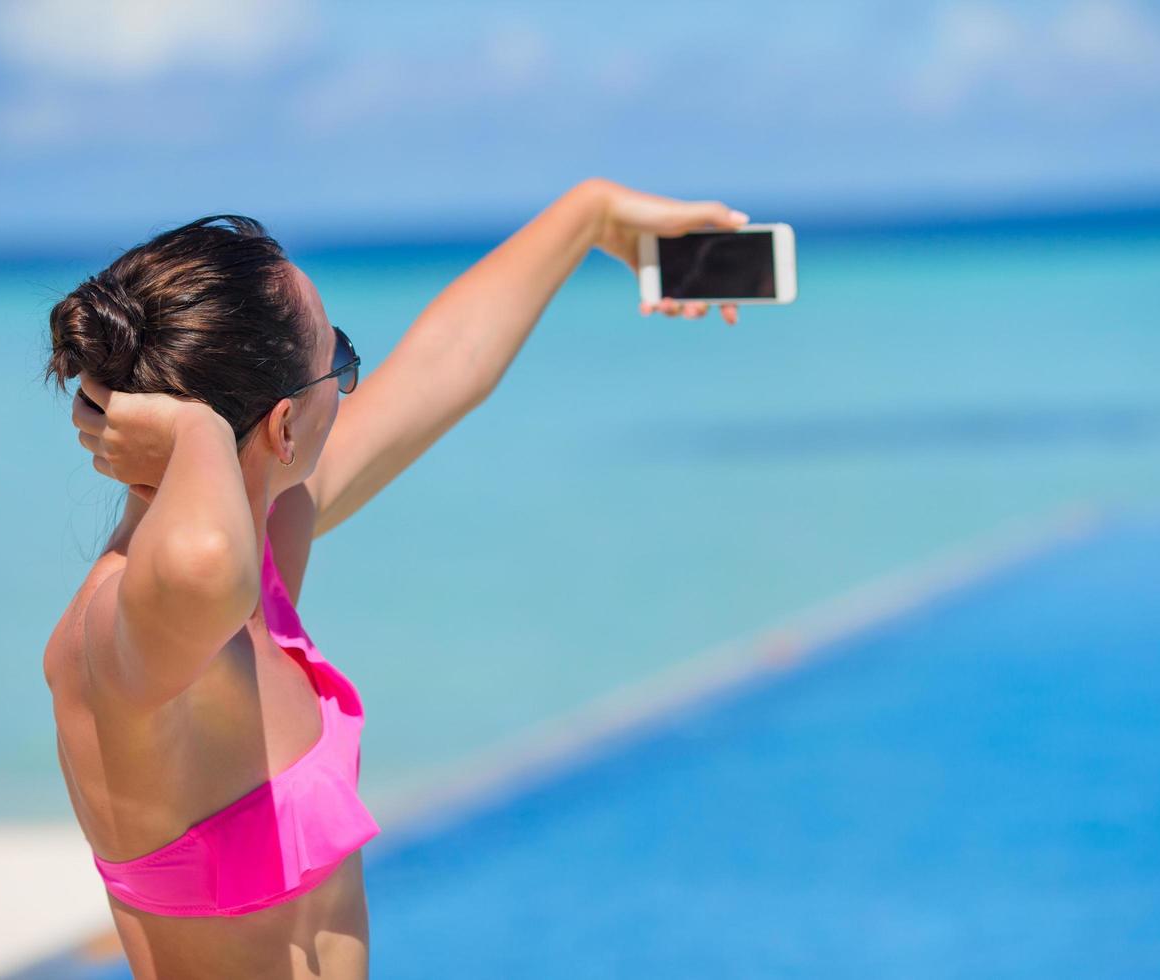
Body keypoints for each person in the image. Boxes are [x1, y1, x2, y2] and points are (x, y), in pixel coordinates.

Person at [41, 177, 748, 979]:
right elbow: (203, 564)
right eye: (338, 359)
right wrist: (198, 429)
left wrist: (589, 216)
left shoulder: (264, 541)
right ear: (281, 426)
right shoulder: (128, 629)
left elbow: (448, 366)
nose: (350, 385)